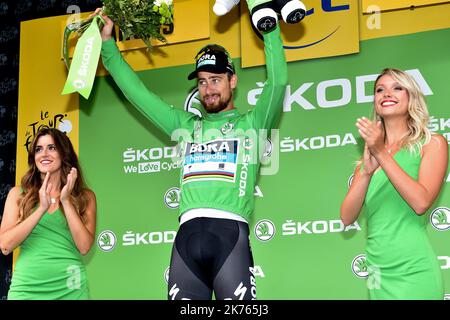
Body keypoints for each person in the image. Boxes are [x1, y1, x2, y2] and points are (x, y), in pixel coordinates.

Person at [93, 3, 287, 300]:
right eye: (202, 81)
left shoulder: (253, 124)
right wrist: (108, 43)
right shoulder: (185, 124)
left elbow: (278, 82)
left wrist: (268, 27)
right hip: (186, 239)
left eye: (216, 79)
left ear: (232, 81)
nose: (208, 89)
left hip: (230, 236)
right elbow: (137, 93)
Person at [340, 68, 448, 300]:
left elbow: (421, 202)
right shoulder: (368, 157)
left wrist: (381, 152)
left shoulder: (432, 143)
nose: (387, 93)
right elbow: (347, 217)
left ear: (412, 97)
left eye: (397, 88)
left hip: (414, 268)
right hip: (377, 269)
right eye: (380, 90)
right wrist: (367, 172)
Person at [0, 128, 97, 299]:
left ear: (63, 153)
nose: (44, 154)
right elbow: (5, 245)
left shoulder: (84, 196)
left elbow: (84, 247)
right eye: (38, 149)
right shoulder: (18, 194)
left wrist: (66, 201)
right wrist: (41, 209)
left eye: (51, 147)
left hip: (70, 289)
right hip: (27, 289)